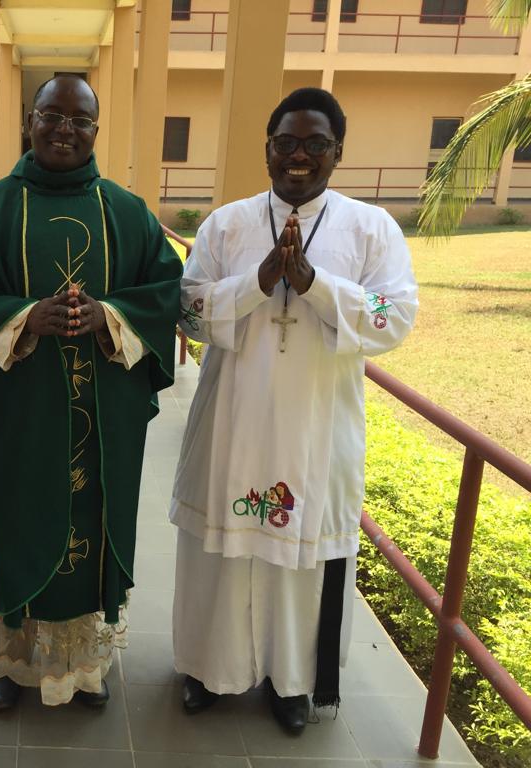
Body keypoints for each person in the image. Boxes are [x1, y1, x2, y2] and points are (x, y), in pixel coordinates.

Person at [169, 87, 418, 733]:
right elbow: (187, 309)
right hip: (233, 418)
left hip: (317, 425)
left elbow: (396, 318)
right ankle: (206, 669)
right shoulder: (226, 224)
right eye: (286, 142)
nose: (298, 156)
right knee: (220, 554)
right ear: (268, 148)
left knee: (301, 560)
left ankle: (293, 683)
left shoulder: (372, 229)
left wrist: (315, 283)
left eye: (314, 144)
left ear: (338, 152)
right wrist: (255, 284)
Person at [0, 74, 182, 710]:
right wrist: (22, 319)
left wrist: (111, 317)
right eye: (52, 115)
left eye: (81, 120)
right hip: (18, 414)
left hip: (100, 417)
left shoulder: (127, 213)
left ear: (97, 130)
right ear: (31, 120)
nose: (65, 130)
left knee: (89, 522)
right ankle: (10, 660)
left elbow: (163, 295)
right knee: (16, 519)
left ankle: (80, 667)